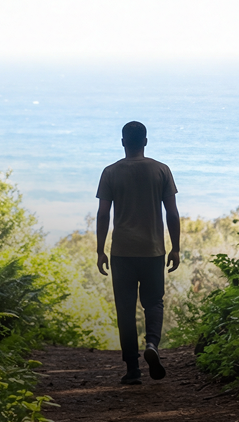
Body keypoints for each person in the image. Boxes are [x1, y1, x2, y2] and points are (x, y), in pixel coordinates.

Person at [95, 121, 180, 385]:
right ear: (145, 141)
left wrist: (100, 250)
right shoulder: (161, 170)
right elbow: (172, 212)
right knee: (154, 303)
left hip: (122, 251)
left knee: (125, 309)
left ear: (123, 142)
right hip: (153, 250)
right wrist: (176, 247)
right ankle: (152, 344)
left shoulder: (110, 172)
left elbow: (103, 213)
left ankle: (132, 369)